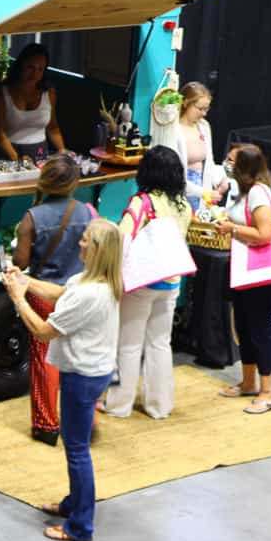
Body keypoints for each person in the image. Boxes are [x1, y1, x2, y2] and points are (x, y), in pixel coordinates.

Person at [1, 219, 122, 541]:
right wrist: (26, 282)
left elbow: (42, 331)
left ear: (97, 251)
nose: (79, 244)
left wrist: (18, 298)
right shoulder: (95, 281)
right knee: (75, 446)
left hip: (82, 377)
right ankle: (74, 504)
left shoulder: (90, 295)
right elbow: (61, 292)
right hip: (91, 371)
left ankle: (81, 526)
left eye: (85, 241)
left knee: (77, 450)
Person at [101, 146, 192, 419]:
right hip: (171, 282)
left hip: (141, 283)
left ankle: (118, 405)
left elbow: (122, 237)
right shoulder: (184, 205)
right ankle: (159, 405)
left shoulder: (142, 202)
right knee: (160, 343)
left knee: (128, 345)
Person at [13, 154, 96, 445]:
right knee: (81, 358)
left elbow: (20, 262)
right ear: (74, 183)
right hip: (80, 293)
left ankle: (46, 425)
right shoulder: (88, 212)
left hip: (44, 294)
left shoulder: (33, 217)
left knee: (45, 360)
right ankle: (86, 419)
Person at [213, 144, 271, 414]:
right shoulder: (241, 191)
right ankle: (249, 382)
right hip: (242, 267)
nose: (226, 164)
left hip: (261, 272)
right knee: (242, 325)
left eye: (231, 161)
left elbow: (265, 234)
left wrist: (233, 229)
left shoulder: (258, 193)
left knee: (259, 328)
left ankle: (269, 391)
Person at [0, 43, 66, 161]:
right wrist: (17, 158)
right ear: (21, 65)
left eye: (40, 69)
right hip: (9, 154)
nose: (34, 74)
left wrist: (63, 151)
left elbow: (53, 128)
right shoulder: (2, 93)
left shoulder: (49, 93)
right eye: (30, 67)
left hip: (41, 153)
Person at [169, 82, 227, 211]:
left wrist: (221, 178)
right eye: (200, 109)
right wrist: (202, 192)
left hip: (202, 188)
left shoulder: (204, 127)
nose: (204, 113)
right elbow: (173, 175)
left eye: (207, 109)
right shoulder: (174, 130)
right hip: (181, 190)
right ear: (186, 103)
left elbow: (209, 162)